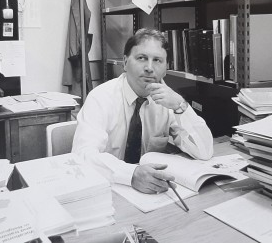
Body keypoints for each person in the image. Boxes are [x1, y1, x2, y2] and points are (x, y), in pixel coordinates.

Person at [72, 28, 213, 194]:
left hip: (151, 194)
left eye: (158, 60)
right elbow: (82, 156)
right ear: (125, 62)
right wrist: (131, 174)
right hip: (109, 189)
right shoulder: (101, 98)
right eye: (141, 58)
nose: (149, 68)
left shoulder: (167, 101)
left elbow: (204, 152)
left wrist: (181, 106)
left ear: (166, 68)